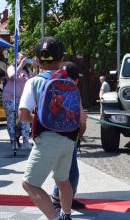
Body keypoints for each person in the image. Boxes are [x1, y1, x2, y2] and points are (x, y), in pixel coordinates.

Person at [18, 36, 86, 220]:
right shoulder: (71, 83)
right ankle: (66, 214)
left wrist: (40, 120)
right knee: (63, 180)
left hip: (47, 140)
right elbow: (81, 118)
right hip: (69, 141)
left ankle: (55, 218)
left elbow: (23, 116)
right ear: (62, 60)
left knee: (29, 184)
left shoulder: (33, 82)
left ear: (38, 61)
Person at [51, 61, 87, 211]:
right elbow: (82, 121)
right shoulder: (73, 91)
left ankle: (63, 199)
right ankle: (60, 202)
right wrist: (80, 135)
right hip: (68, 138)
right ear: (76, 79)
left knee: (63, 171)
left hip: (51, 135)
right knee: (72, 174)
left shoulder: (52, 85)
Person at [2, 51, 33, 150]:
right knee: (11, 119)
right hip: (9, 98)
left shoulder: (27, 71)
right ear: (16, 59)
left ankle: (25, 141)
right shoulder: (11, 68)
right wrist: (20, 65)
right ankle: (13, 141)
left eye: (25, 58)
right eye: (21, 58)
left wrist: (36, 67)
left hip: (22, 98)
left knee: (25, 118)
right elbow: (12, 76)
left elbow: (33, 79)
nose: (23, 60)